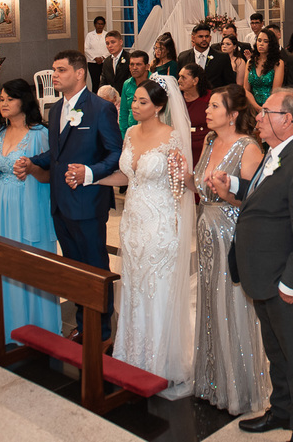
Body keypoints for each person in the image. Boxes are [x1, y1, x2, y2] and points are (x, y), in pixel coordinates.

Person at [206, 90, 293, 442]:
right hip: (262, 274)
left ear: (286, 119)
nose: (257, 117)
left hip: (282, 279)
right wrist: (236, 185)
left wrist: (290, 284)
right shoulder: (276, 153)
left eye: (265, 112)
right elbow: (265, 194)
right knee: (277, 351)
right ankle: (283, 411)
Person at [95, 76, 196, 398]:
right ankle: (132, 356)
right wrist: (91, 179)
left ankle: (162, 362)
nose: (134, 106)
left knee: (158, 289)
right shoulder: (129, 133)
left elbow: (180, 186)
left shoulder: (172, 138)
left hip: (162, 222)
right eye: (134, 100)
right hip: (133, 222)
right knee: (135, 287)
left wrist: (182, 179)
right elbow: (127, 175)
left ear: (159, 106)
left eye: (141, 102)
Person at [16, 50, 122, 342]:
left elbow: (115, 153)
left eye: (61, 70)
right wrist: (34, 161)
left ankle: (100, 331)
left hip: (88, 202)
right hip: (61, 201)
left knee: (95, 267)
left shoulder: (100, 108)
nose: (54, 76)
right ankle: (82, 323)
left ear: (79, 73)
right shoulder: (55, 109)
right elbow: (57, 152)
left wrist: (89, 173)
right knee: (74, 268)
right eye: (53, 69)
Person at [192, 85, 270, 415]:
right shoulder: (210, 141)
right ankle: (213, 379)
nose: (206, 112)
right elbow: (198, 183)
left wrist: (226, 195)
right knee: (209, 302)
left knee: (232, 305)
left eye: (213, 106)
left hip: (231, 234)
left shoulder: (248, 147)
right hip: (206, 233)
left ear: (233, 114)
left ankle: (240, 386)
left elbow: (256, 200)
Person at [0, 79, 58, 344]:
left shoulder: (39, 134)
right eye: (1, 99)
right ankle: (13, 326)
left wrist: (32, 168)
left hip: (31, 203)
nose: (4, 104)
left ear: (24, 100)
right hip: (2, 204)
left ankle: (42, 328)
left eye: (9, 98)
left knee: (33, 261)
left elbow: (49, 176)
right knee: (7, 262)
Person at [179, 23, 236, 88]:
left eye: (207, 36)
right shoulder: (183, 57)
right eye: (200, 36)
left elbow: (230, 84)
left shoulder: (222, 57)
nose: (204, 39)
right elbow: (180, 82)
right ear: (193, 38)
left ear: (210, 38)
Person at [179, 63, 211, 165]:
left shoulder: (210, 98)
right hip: (183, 147)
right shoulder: (176, 100)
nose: (179, 80)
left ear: (195, 81)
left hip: (206, 146)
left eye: (183, 78)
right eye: (179, 77)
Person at [245, 30, 284, 111]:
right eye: (259, 40)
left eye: (265, 41)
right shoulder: (250, 62)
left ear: (271, 44)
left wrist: (264, 108)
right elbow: (246, 89)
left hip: (270, 107)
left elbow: (275, 91)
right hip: (251, 106)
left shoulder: (278, 63)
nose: (261, 44)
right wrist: (256, 107)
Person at [119, 50, 151, 137]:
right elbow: (123, 111)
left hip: (151, 132)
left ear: (147, 66)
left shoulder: (155, 82)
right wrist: (124, 135)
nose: (134, 68)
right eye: (132, 64)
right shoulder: (127, 84)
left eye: (138, 64)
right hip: (132, 132)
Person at [84, 15, 108, 92]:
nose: (100, 26)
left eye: (101, 24)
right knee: (95, 82)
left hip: (105, 61)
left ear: (104, 25)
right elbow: (86, 49)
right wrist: (95, 58)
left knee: (106, 81)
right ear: (95, 24)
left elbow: (110, 48)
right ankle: (95, 98)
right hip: (92, 62)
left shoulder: (107, 35)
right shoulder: (90, 35)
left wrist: (102, 57)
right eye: (98, 24)